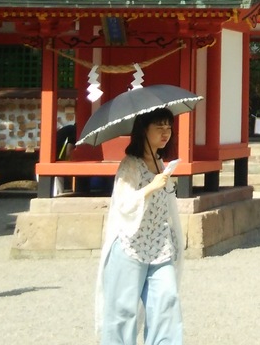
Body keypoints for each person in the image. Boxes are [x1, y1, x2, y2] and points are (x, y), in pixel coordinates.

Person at [96, 108, 184, 344]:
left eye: (168, 127)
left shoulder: (160, 162)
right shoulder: (130, 165)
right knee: (122, 311)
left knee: (166, 302)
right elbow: (123, 203)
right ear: (144, 130)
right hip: (130, 245)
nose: (166, 133)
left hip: (160, 245)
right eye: (159, 127)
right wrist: (150, 187)